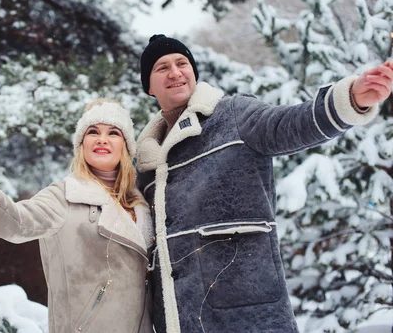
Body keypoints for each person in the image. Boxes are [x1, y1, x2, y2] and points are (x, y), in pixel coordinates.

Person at [134, 34, 393, 333]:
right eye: (161, 67)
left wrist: (351, 99)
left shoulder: (233, 115)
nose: (175, 72)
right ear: (149, 87)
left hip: (249, 315)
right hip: (179, 321)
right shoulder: (149, 161)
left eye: (182, 63)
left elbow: (291, 124)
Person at [0, 98, 154, 333]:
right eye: (93, 131)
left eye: (113, 133)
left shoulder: (143, 205)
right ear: (81, 144)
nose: (102, 139)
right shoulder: (65, 196)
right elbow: (13, 222)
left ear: (126, 147)